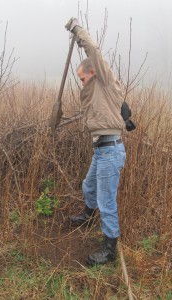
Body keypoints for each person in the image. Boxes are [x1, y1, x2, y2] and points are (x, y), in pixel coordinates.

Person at [65, 18, 126, 266]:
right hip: (101, 150)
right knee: (88, 186)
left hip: (110, 150)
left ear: (94, 72)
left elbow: (94, 50)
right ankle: (89, 216)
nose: (82, 83)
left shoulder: (104, 78)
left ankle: (110, 248)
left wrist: (78, 30)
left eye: (83, 79)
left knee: (106, 200)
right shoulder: (98, 92)